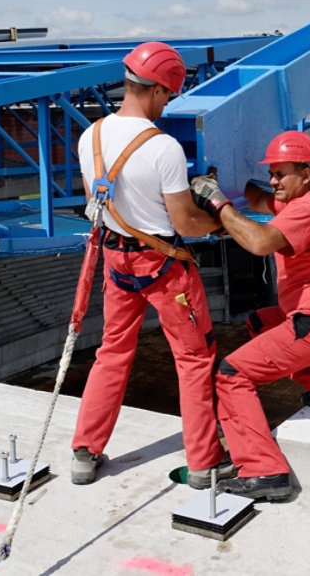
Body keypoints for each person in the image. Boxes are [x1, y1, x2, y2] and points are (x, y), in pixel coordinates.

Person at [69, 41, 231, 490]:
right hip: (163, 265)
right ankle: (204, 462)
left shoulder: (91, 136)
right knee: (195, 359)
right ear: (158, 89)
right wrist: (217, 220)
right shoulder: (163, 149)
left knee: (113, 352)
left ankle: (85, 451)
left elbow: (95, 202)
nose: (168, 104)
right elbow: (185, 223)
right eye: (168, 95)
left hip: (115, 259)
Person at [189, 131, 310, 502]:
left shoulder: (307, 208)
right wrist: (229, 183)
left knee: (231, 374)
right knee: (259, 321)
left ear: (307, 174)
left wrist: (217, 203)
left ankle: (265, 471)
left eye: (281, 173)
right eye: (272, 173)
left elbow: (259, 242)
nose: (273, 180)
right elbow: (258, 198)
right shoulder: (303, 200)